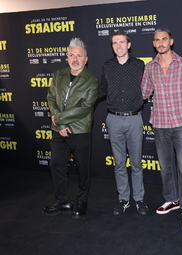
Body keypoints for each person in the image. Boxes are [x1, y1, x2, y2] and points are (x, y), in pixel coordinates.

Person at [141, 27, 182, 228]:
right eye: (157, 40)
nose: (161, 43)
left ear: (171, 41)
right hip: (160, 123)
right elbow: (143, 93)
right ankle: (172, 199)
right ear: (154, 44)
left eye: (164, 39)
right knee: (166, 168)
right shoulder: (150, 68)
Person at [43, 38, 99, 219]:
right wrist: (60, 124)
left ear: (86, 59)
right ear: (67, 57)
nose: (75, 59)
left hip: (80, 131)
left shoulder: (91, 80)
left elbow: (84, 108)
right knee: (56, 164)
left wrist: (58, 119)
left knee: (82, 168)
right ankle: (63, 201)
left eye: (79, 55)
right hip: (59, 130)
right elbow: (51, 98)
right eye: (72, 55)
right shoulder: (58, 74)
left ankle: (82, 201)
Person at [99, 31, 148, 215]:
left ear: (129, 45)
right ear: (112, 46)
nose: (118, 46)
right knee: (119, 163)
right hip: (113, 119)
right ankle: (123, 199)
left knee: (136, 163)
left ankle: (139, 199)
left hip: (135, 118)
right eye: (114, 43)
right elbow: (102, 89)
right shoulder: (107, 66)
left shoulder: (139, 65)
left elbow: (148, 88)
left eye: (121, 42)